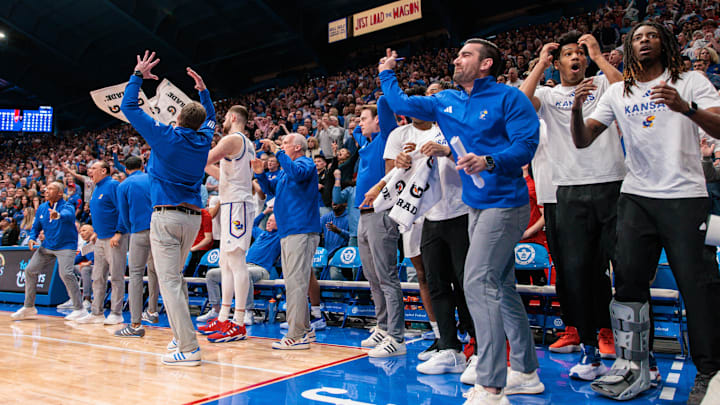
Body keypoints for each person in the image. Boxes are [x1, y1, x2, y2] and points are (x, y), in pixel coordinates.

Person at [378, 40, 542, 405]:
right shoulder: (446, 101)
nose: (456, 58)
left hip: (506, 203)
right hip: (476, 206)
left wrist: (490, 160)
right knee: (501, 285)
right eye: (457, 54)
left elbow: (526, 146)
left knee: (477, 280)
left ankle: (491, 386)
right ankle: (527, 373)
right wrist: (386, 73)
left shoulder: (509, 98)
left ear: (485, 64)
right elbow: (402, 104)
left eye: (465, 55)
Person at [570, 22, 720, 403]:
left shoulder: (690, 81)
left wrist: (686, 108)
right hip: (636, 196)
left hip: (685, 196)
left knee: (697, 288)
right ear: (629, 47)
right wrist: (574, 109)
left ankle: (710, 373)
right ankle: (636, 365)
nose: (644, 40)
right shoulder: (619, 91)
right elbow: (584, 138)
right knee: (628, 284)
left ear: (665, 42)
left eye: (651, 35)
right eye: (637, 37)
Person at [520, 31, 625, 378]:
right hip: (568, 190)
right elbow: (522, 101)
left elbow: (625, 89)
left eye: (579, 53)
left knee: (616, 269)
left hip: (611, 182)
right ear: (559, 62)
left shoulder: (602, 84)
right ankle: (588, 341)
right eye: (568, 54)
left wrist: (598, 56)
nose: (575, 57)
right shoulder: (549, 95)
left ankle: (619, 339)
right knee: (575, 272)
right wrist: (540, 62)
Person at [121, 51, 215, 367]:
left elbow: (128, 107)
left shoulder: (164, 135)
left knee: (170, 282)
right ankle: (179, 336)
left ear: (176, 119)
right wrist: (203, 91)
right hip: (192, 220)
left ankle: (188, 348)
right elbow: (211, 117)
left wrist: (137, 75)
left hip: (166, 216)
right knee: (175, 278)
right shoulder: (204, 139)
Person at [253, 133, 321, 350]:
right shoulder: (286, 171)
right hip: (289, 231)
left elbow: (297, 173)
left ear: (298, 147)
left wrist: (277, 151)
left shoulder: (305, 162)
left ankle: (296, 335)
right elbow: (273, 191)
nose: (280, 147)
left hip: (300, 229)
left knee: (295, 283)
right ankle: (306, 329)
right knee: (295, 280)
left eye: (285, 144)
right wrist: (261, 175)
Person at [197, 104, 256, 343]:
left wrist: (190, 138)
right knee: (226, 263)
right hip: (232, 202)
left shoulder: (234, 139)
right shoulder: (243, 144)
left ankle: (239, 322)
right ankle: (223, 317)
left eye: (224, 117)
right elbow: (221, 172)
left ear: (232, 117)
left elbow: (206, 155)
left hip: (237, 205)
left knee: (236, 262)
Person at [355, 101, 405, 358]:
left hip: (381, 212)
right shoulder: (366, 144)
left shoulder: (387, 137)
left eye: (364, 118)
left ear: (378, 121)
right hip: (363, 216)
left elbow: (385, 109)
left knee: (386, 276)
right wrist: (364, 119)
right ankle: (383, 326)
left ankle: (396, 335)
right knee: (372, 277)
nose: (359, 123)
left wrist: (383, 84)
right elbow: (357, 131)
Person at [11, 182, 86, 321]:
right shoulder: (42, 207)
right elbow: (36, 227)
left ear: (59, 193)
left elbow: (68, 215)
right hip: (47, 246)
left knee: (66, 273)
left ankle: (79, 309)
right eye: (46, 188)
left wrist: (58, 215)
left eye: (51, 189)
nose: (46, 190)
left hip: (66, 246)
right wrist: (32, 238)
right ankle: (29, 307)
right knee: (30, 271)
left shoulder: (67, 205)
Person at [200, 208, 281, 325]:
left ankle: (248, 312)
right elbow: (252, 225)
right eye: (268, 220)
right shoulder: (261, 234)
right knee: (211, 274)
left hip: (261, 269)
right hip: (244, 266)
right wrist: (265, 212)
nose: (268, 222)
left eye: (272, 221)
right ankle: (216, 309)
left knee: (245, 274)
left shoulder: (279, 237)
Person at [76, 161, 128, 325]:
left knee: (116, 277)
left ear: (104, 171)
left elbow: (122, 210)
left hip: (114, 238)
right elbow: (102, 212)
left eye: (93, 169)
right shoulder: (95, 187)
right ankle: (96, 313)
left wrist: (119, 233)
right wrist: (96, 232)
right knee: (97, 276)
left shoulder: (113, 185)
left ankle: (116, 313)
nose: (89, 171)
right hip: (100, 238)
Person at [114, 156, 158, 337]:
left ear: (126, 169)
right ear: (142, 166)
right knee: (159, 272)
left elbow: (123, 215)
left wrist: (131, 230)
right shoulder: (153, 178)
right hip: (159, 230)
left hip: (139, 231)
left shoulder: (123, 185)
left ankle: (135, 324)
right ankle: (153, 311)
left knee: (136, 275)